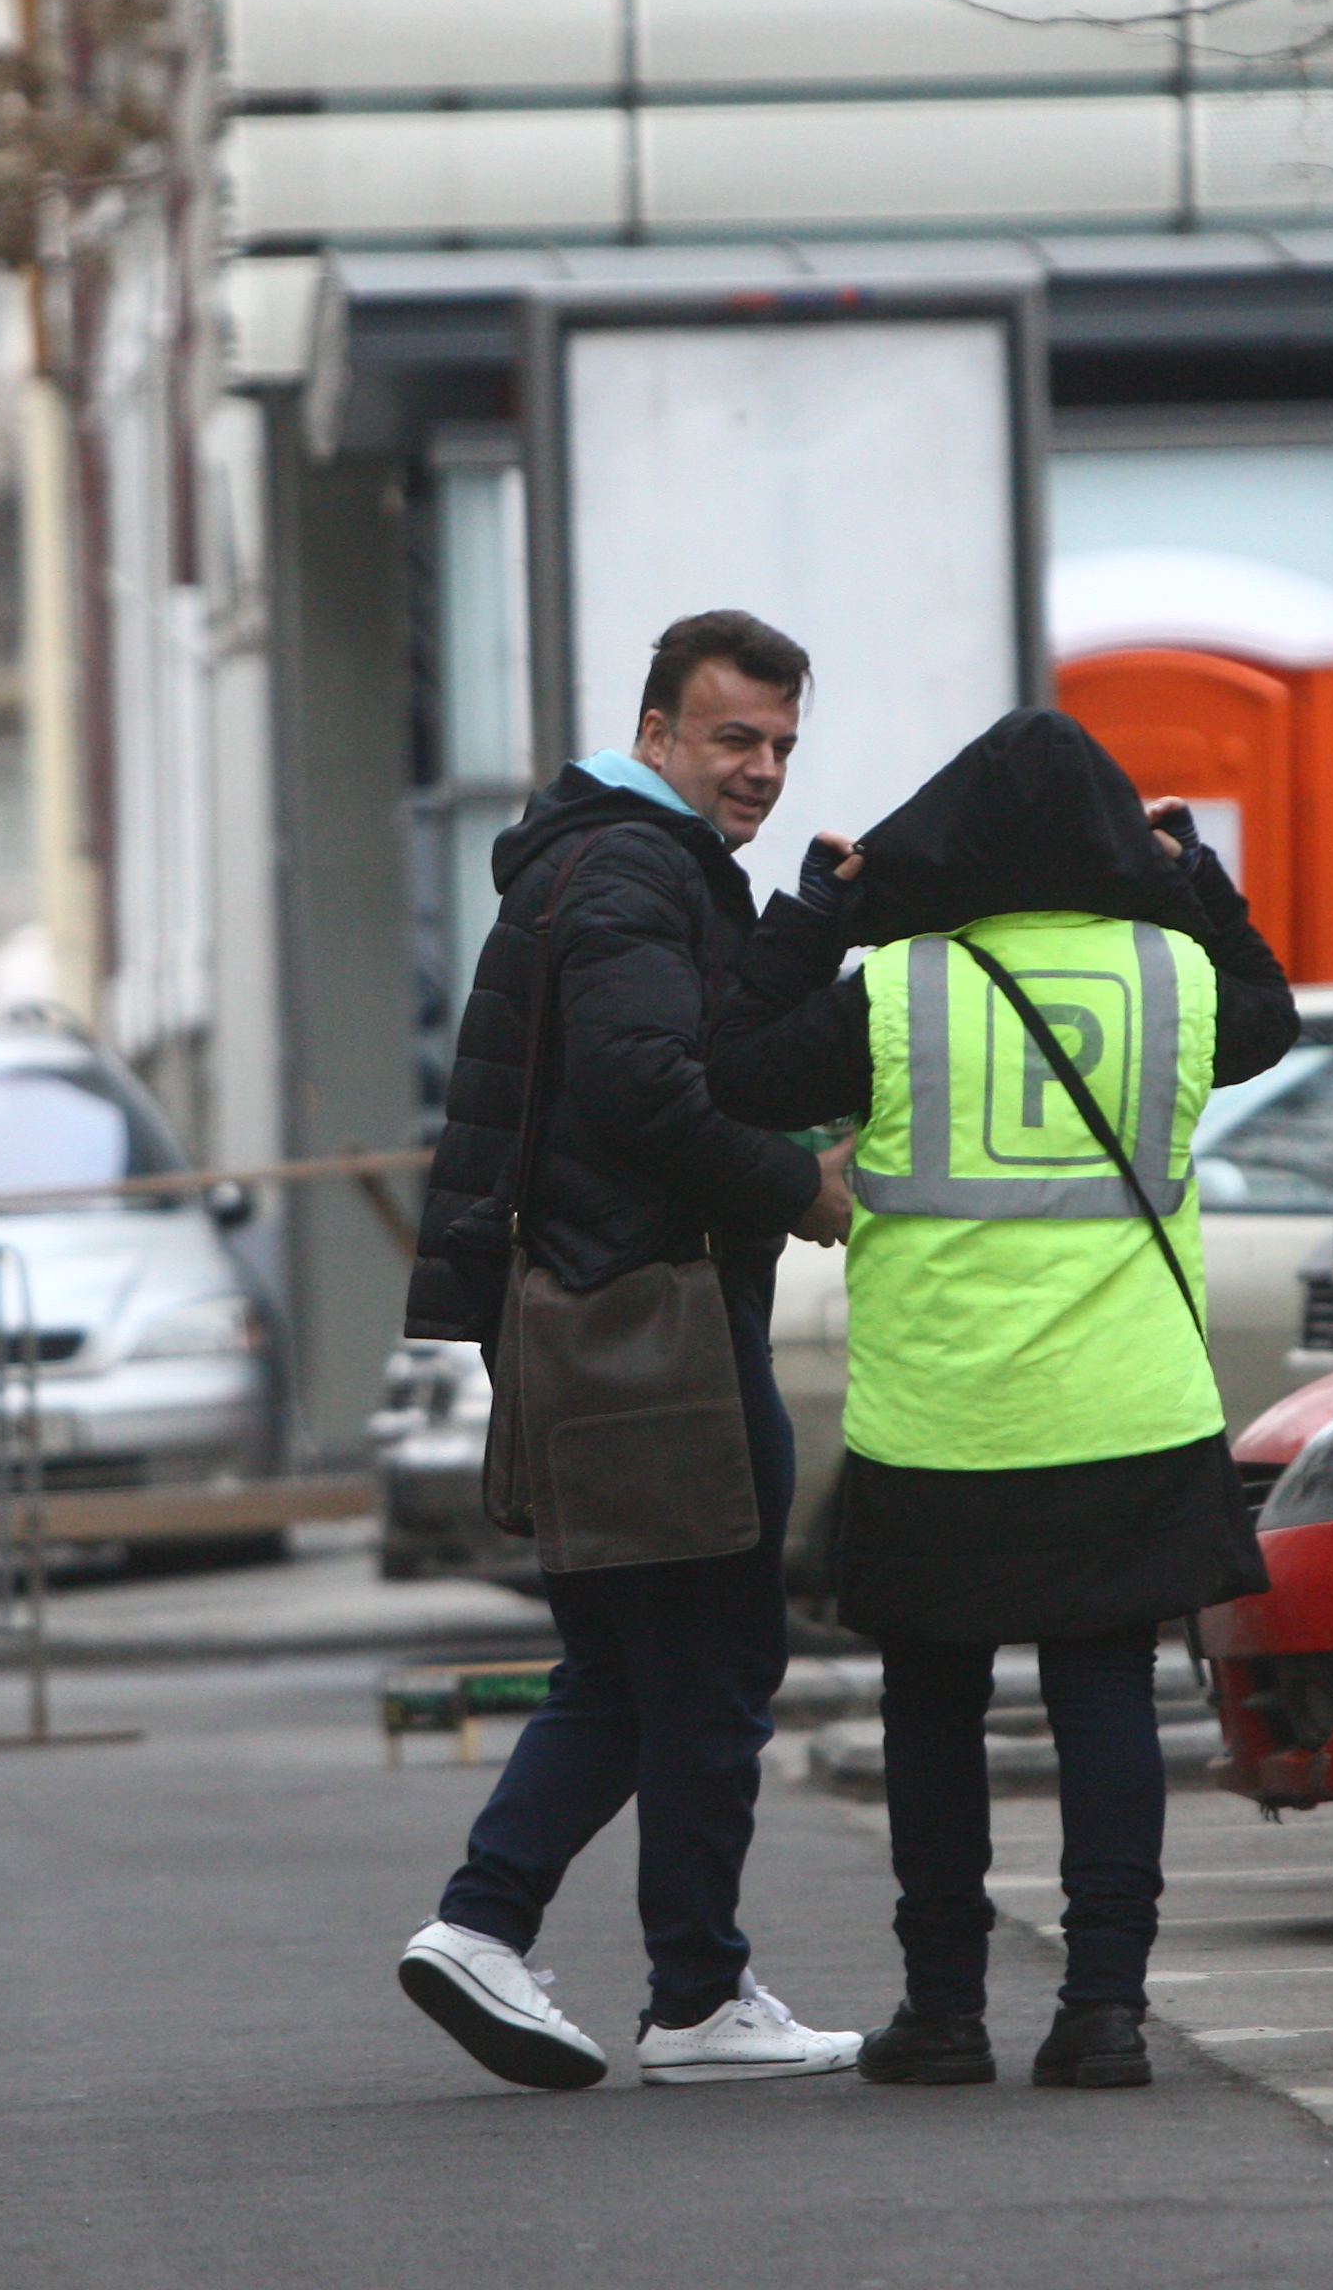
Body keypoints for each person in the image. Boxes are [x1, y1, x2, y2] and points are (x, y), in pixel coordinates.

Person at [712, 708, 1294, 2090]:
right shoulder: (1175, 979)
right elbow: (1270, 1017)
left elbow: (731, 1066)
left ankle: (946, 2011)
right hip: (1131, 1409)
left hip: (943, 1416)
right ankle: (1104, 2012)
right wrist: (1194, 876)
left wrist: (817, 911)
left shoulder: (900, 988)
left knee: (933, 1709)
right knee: (1105, 1700)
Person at [392, 608, 865, 2091]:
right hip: (646, 1311)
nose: (762, 769)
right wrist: (804, 1189)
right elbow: (648, 1084)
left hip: (602, 1308)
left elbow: (699, 1030)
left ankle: (505, 1932)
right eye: (734, 738)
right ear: (658, 731)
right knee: (716, 1657)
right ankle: (685, 1992)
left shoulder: (621, 863)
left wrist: (812, 922)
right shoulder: (628, 872)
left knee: (630, 1663)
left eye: (782, 744)